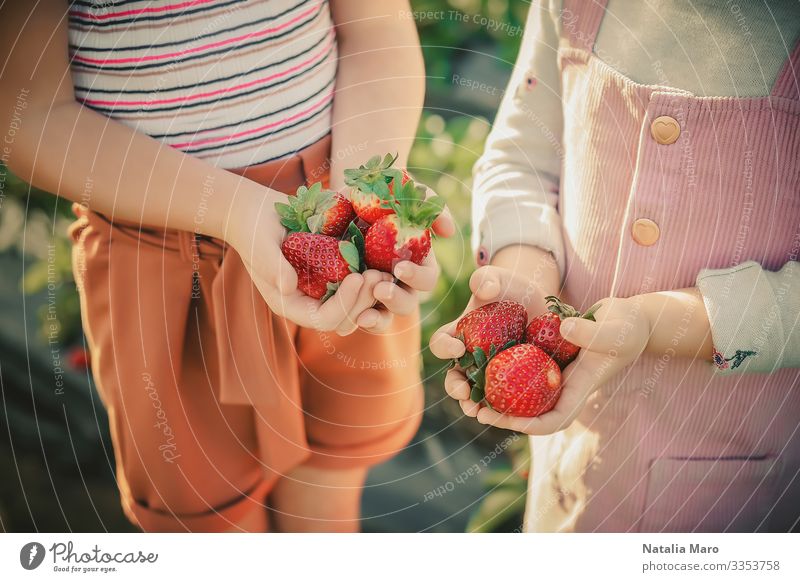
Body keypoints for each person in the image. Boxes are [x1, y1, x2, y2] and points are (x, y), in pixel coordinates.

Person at [1, 0, 453, 532]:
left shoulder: (348, 224)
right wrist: (232, 208)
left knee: (329, 485)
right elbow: (28, 115)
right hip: (161, 251)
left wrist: (364, 195)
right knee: (210, 526)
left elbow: (376, 28)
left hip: (334, 225)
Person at [431, 0, 800, 532]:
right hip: (572, 451)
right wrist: (524, 268)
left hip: (741, 469)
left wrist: (659, 323)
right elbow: (521, 157)